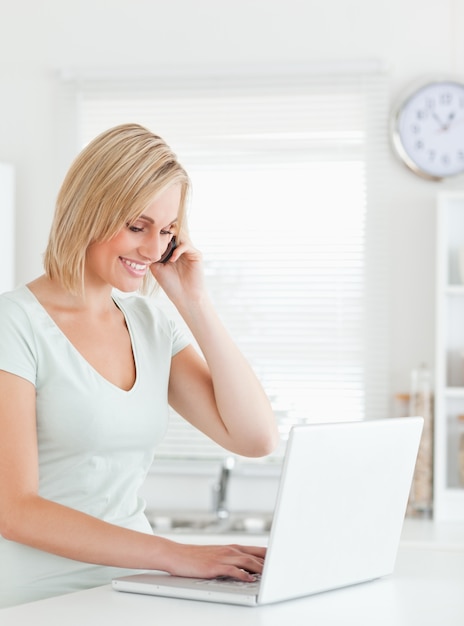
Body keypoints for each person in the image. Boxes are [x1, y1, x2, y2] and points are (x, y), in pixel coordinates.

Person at [0, 123, 279, 608]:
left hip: (131, 590)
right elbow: (14, 510)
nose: (153, 250)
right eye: (137, 226)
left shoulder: (149, 323)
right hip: (35, 598)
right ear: (89, 211)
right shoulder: (14, 325)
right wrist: (176, 555)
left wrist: (194, 301)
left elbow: (255, 438)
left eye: (167, 230)